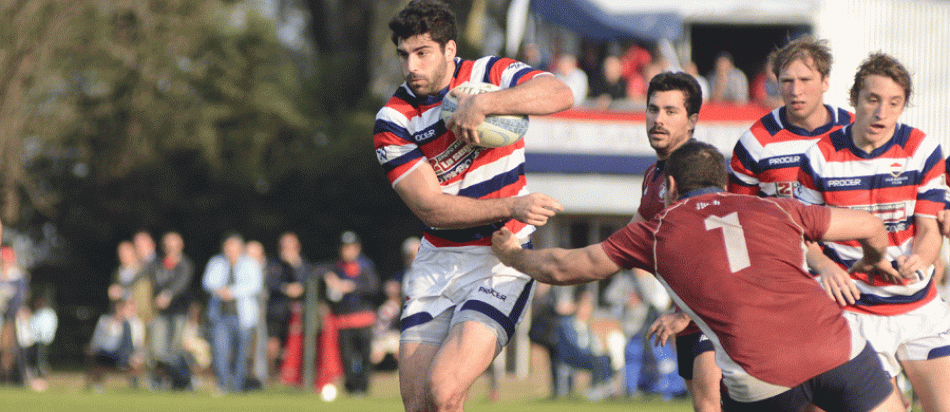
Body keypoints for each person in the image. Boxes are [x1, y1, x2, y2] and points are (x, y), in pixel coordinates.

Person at [493, 140, 906, 412]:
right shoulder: (773, 207)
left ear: (670, 187)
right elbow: (870, 226)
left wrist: (512, 255)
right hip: (836, 347)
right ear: (723, 183)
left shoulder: (656, 231)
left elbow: (563, 268)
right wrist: (870, 259)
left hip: (762, 375)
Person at [374, 1, 573, 410]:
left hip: (502, 259)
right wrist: (512, 206)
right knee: (417, 403)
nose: (411, 66)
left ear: (450, 49)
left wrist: (486, 104)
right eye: (404, 54)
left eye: (422, 53)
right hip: (437, 264)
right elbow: (432, 209)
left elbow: (561, 92)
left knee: (444, 390)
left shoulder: (491, 74)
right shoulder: (395, 119)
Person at [796, 53, 950, 412]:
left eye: (894, 103)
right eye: (873, 100)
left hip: (918, 308)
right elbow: (801, 236)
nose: (882, 112)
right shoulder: (820, 157)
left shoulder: (922, 150)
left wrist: (920, 260)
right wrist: (825, 265)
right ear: (854, 99)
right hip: (855, 314)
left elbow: (930, 230)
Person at [629, 71, 719, 412]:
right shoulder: (654, 175)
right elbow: (629, 239)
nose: (658, 119)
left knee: (713, 407)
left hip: (712, 315)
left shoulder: (700, 175)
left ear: (692, 120)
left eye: (670, 111)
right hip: (685, 314)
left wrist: (683, 313)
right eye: (653, 109)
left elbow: (718, 253)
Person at [202, 232, 262, 394]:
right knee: (220, 351)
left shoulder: (250, 264)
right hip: (220, 316)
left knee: (241, 354)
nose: (230, 251)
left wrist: (232, 292)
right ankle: (222, 385)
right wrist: (220, 290)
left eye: (234, 248)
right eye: (228, 247)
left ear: (240, 248)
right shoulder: (216, 262)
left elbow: (255, 285)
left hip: (242, 318)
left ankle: (237, 386)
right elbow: (207, 282)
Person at [321, 231, 379, 396]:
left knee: (364, 356)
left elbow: (373, 287)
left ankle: (362, 389)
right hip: (345, 321)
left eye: (351, 247)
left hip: (364, 320)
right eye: (344, 248)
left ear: (357, 248)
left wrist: (351, 286)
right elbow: (317, 273)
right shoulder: (336, 267)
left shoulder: (366, 266)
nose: (347, 251)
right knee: (347, 357)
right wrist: (330, 280)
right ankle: (351, 387)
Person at [149, 231, 194, 389]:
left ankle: (182, 381)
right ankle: (163, 380)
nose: (170, 247)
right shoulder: (157, 263)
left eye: (174, 244)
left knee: (176, 350)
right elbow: (143, 276)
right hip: (161, 314)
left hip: (179, 314)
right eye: (167, 244)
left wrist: (167, 295)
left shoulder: (185, 264)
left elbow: (180, 284)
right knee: (158, 350)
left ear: (180, 245)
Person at [266, 232, 308, 380]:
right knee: (272, 347)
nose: (287, 250)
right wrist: (286, 288)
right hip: (276, 311)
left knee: (294, 347)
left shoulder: (302, 264)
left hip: (297, 314)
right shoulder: (273, 263)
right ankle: (271, 378)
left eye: (291, 246)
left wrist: (295, 265)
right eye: (284, 246)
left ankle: (293, 379)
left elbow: (307, 283)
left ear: (298, 247)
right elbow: (270, 283)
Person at [85, 298, 146, 392]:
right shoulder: (105, 320)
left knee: (137, 360)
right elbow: (96, 340)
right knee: (94, 356)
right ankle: (97, 386)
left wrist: (137, 356)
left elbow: (139, 343)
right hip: (108, 353)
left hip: (128, 355)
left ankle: (135, 385)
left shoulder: (136, 323)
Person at [0, 245, 27, 384]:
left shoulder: (17, 277)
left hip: (10, 318)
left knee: (13, 348)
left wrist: (10, 318)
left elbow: (18, 300)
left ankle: (18, 378)